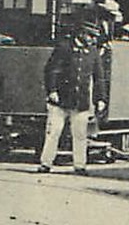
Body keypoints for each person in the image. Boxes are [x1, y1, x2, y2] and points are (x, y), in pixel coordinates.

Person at [38, 26, 109, 175]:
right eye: (90, 35)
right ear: (82, 33)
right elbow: (51, 70)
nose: (92, 39)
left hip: (80, 101)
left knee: (80, 134)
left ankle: (80, 165)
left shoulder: (93, 53)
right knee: (53, 132)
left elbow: (99, 78)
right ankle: (46, 163)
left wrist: (100, 98)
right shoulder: (64, 48)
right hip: (60, 101)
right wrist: (52, 91)